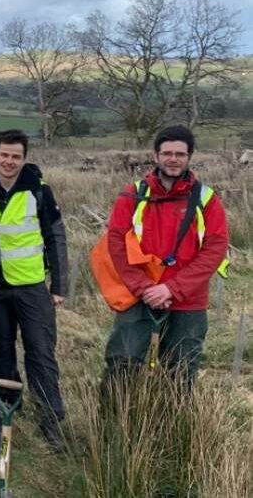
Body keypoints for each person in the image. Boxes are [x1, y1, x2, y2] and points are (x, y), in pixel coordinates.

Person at [103, 125, 229, 385]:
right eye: (167, 153)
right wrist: (145, 287)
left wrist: (171, 289)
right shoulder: (132, 195)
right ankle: (114, 422)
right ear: (156, 156)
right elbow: (116, 244)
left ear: (189, 157)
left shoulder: (207, 200)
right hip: (137, 295)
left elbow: (215, 249)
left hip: (188, 300)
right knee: (122, 362)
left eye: (180, 154)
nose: (173, 159)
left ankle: (175, 424)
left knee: (181, 370)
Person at [0, 129, 68, 448]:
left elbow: (56, 237)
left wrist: (59, 286)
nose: (9, 161)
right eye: (4, 155)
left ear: (24, 159)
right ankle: (7, 408)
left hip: (31, 287)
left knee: (41, 353)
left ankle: (51, 422)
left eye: (16, 156)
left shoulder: (40, 191)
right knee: (0, 350)